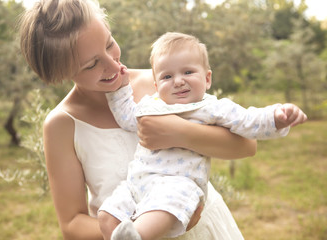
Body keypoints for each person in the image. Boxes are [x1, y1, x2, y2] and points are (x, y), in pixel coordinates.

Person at [19, 0, 260, 239]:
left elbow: (247, 145)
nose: (113, 64)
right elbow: (72, 224)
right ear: (61, 73)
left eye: (110, 43)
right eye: (92, 64)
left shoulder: (162, 84)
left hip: (206, 230)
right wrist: (143, 228)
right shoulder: (62, 124)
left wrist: (179, 133)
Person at [98, 32, 308, 240]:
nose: (178, 81)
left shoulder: (212, 107)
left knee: (161, 211)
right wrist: (121, 87)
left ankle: (136, 237)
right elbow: (127, 117)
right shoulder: (151, 105)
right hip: (137, 183)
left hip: (178, 184)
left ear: (207, 79)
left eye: (188, 72)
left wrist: (278, 116)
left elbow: (248, 120)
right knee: (106, 216)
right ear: (156, 86)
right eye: (167, 77)